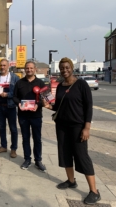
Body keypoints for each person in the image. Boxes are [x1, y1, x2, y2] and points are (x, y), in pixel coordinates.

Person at [43, 57, 100, 205]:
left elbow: (89, 107)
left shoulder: (81, 84)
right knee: (65, 154)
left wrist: (87, 127)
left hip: (77, 126)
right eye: (62, 68)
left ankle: (94, 191)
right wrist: (48, 106)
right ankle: (71, 180)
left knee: (82, 156)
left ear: (72, 68)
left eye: (67, 67)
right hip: (62, 126)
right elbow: (59, 106)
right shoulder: (61, 86)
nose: (64, 70)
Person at [13, 61, 46, 171]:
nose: (29, 70)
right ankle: (27, 159)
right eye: (27, 68)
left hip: (36, 115)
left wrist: (38, 104)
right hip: (23, 116)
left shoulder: (40, 83)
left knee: (37, 139)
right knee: (25, 138)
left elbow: (45, 99)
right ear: (24, 69)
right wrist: (18, 103)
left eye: (31, 68)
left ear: (35, 69)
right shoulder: (19, 83)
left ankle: (38, 160)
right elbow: (14, 97)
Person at [0, 59, 19, 158]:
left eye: (4, 65)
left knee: (13, 129)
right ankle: (3, 146)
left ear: (8, 66)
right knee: (1, 127)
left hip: (10, 107)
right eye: (1, 65)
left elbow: (18, 93)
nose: (2, 67)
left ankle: (14, 149)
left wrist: (8, 94)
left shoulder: (15, 78)